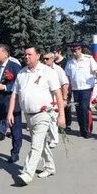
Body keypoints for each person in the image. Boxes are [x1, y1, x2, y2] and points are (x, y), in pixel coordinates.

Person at [7, 46, 65, 186]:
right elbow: (14, 95)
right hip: (28, 115)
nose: (26, 57)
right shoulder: (21, 73)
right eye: (25, 54)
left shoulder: (47, 72)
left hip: (44, 114)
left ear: (38, 55)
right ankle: (50, 167)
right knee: (42, 143)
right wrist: (10, 112)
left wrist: (61, 115)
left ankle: (27, 174)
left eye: (29, 54)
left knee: (36, 145)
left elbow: (58, 94)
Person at [65, 43, 97, 138]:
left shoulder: (88, 59)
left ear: (80, 49)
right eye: (73, 51)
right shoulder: (70, 62)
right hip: (76, 90)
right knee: (78, 111)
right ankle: (82, 129)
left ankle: (87, 130)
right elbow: (68, 77)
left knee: (84, 109)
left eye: (76, 50)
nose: (74, 52)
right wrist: (68, 92)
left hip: (87, 89)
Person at [42, 52, 70, 149]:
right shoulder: (41, 69)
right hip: (44, 97)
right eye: (44, 59)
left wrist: (64, 99)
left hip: (55, 97)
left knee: (53, 119)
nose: (45, 61)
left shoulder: (58, 70)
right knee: (45, 118)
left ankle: (54, 140)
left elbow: (65, 84)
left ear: (53, 59)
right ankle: (45, 137)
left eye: (47, 59)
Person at [53, 48, 73, 133]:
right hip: (56, 88)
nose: (53, 55)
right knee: (56, 106)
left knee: (66, 106)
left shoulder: (66, 62)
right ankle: (58, 124)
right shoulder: (52, 63)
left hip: (65, 87)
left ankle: (67, 124)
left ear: (59, 52)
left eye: (54, 53)